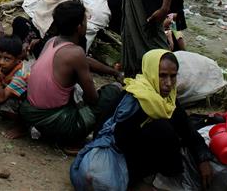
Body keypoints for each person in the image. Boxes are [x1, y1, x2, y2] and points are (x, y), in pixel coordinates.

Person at [72, 50, 213, 190]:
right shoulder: (135, 98)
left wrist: (203, 158)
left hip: (140, 156)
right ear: (150, 73)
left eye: (173, 76)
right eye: (162, 76)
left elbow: (187, 128)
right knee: (163, 129)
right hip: (123, 159)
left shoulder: (167, 100)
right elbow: (106, 134)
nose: (169, 83)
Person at [19, 0, 109, 149]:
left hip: (32, 115)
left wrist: (112, 71)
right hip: (58, 123)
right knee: (111, 93)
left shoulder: (52, 41)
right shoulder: (76, 53)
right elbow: (93, 98)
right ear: (79, 27)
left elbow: (84, 61)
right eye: (85, 21)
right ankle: (74, 141)